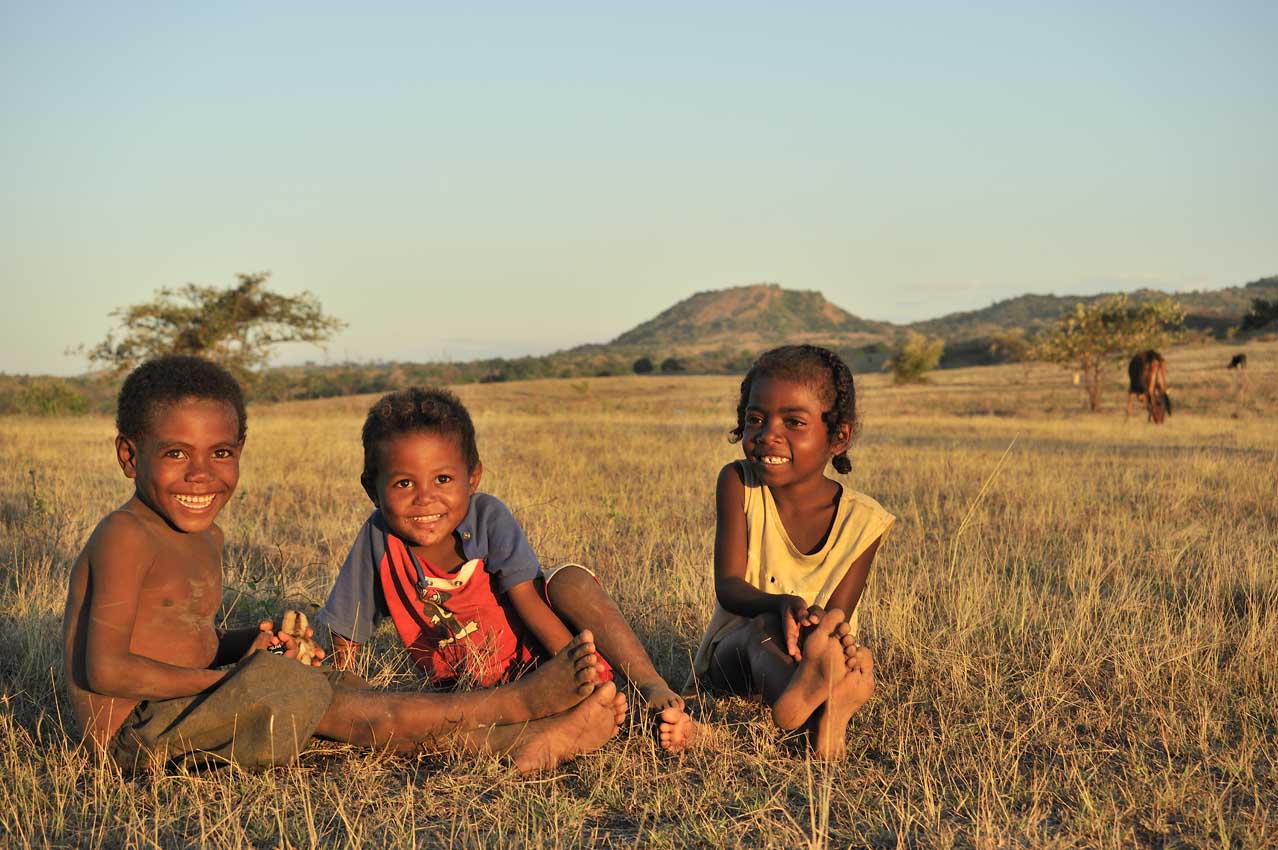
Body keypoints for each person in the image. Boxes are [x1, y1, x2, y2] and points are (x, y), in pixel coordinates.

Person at [61, 356, 622, 774]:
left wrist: (247, 647)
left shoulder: (204, 536)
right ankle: (516, 705)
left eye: (222, 453)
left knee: (343, 699)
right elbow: (106, 670)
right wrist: (234, 677)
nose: (201, 474)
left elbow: (180, 641)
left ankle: (517, 740)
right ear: (130, 456)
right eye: (176, 453)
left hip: (186, 708)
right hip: (135, 739)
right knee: (325, 699)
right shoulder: (124, 534)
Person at [317, 386, 695, 752]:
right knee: (447, 729)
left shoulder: (487, 518)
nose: (425, 497)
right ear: (373, 489)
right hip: (470, 695)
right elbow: (348, 629)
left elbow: (528, 599)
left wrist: (578, 673)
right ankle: (558, 733)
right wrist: (345, 689)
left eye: (443, 479)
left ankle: (651, 689)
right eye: (403, 483)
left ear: (473, 477)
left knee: (568, 581)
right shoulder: (379, 539)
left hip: (543, 666)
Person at [688, 345, 894, 759]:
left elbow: (839, 615)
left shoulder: (865, 521)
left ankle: (816, 709)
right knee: (760, 628)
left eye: (794, 422)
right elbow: (729, 587)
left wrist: (816, 623)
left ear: (839, 437)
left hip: (805, 653)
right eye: (755, 419)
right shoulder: (738, 483)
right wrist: (779, 603)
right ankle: (824, 709)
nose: (767, 435)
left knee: (827, 643)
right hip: (733, 655)